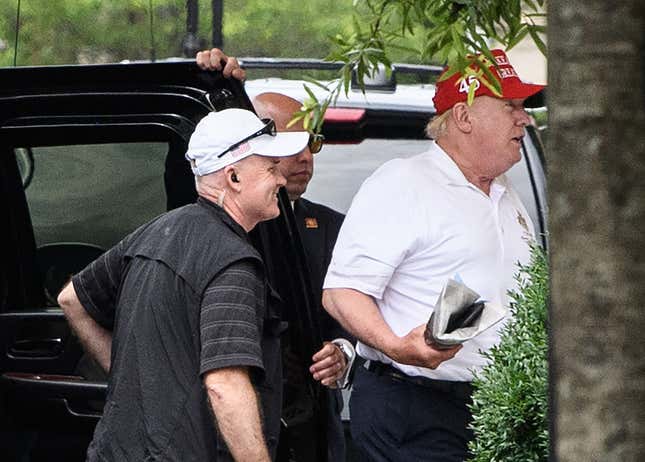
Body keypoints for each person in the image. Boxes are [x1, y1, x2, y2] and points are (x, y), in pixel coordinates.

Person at [322, 48, 545, 461]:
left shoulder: (505, 193)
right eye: (511, 106)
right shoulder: (404, 183)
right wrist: (395, 345)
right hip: (416, 408)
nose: (525, 118)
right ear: (463, 117)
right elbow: (341, 292)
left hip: (494, 412)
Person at [57, 107, 311, 461]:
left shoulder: (156, 231)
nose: (281, 180)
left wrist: (137, 385)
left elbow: (71, 299)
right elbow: (225, 384)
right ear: (233, 177)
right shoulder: (232, 263)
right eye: (270, 169)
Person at [196, 49, 354, 462]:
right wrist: (220, 84)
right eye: (290, 144)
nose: (305, 157)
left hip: (312, 425)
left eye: (312, 142)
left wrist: (343, 352)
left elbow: (357, 313)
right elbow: (192, 169)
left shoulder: (334, 226)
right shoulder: (219, 223)